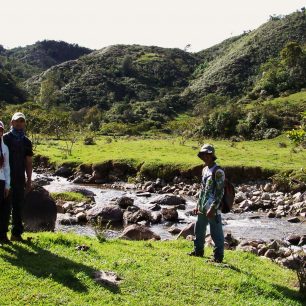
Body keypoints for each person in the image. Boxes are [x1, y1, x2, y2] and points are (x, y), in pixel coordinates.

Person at [188, 144, 225, 263]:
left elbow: (220, 192)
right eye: (203, 155)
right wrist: (197, 205)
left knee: (216, 233)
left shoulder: (218, 171)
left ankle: (218, 257)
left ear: (212, 156)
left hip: (213, 208)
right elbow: (202, 189)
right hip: (203, 206)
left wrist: (213, 208)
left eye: (208, 155)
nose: (205, 157)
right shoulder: (204, 169)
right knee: (199, 229)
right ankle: (198, 251)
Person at [2, 112, 33, 242]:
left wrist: (29, 180)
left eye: (22, 121)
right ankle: (2, 236)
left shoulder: (27, 141)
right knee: (4, 206)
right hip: (4, 178)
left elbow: (29, 161)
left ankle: (16, 234)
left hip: (20, 178)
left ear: (24, 123)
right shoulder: (4, 138)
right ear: (11, 122)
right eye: (17, 121)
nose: (19, 123)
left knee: (18, 206)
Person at [0, 121, 11, 243]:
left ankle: (2, 236)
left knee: (4, 210)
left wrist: (8, 185)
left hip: (2, 180)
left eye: (0, 130)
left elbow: (7, 167)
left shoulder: (4, 148)